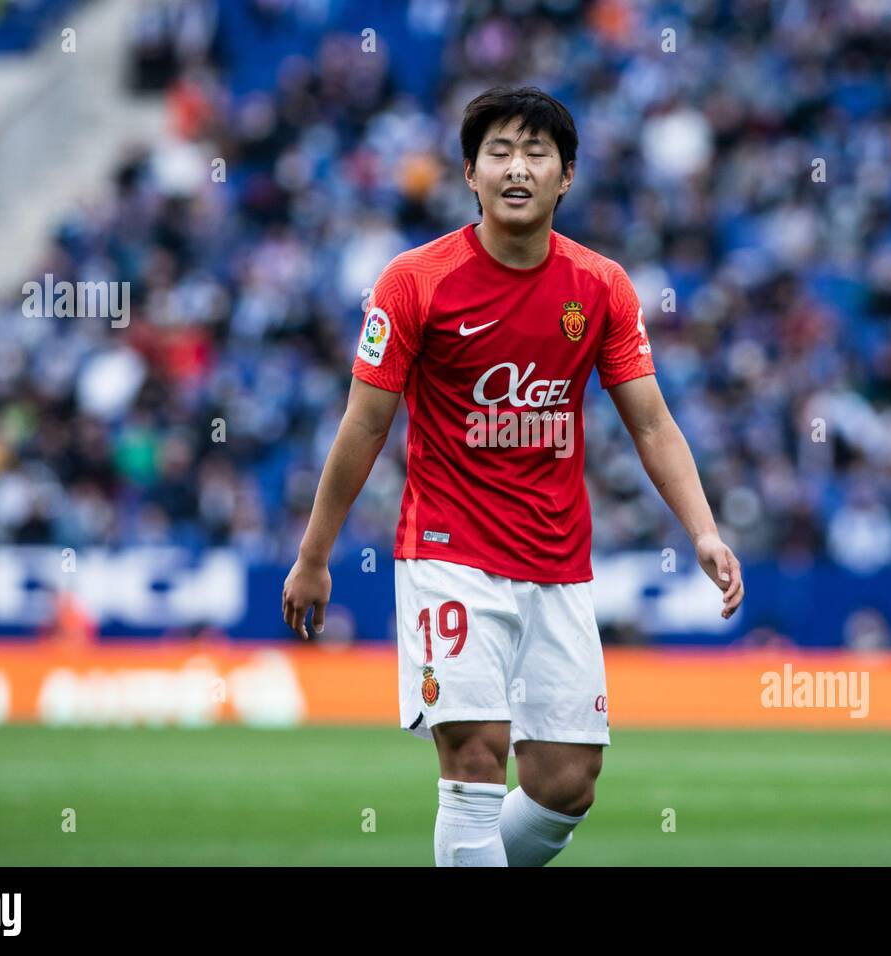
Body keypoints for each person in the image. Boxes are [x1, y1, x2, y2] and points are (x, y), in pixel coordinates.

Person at [282, 86, 744, 866]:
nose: (517, 168)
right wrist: (315, 554)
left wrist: (702, 529)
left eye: (537, 153)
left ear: (568, 176)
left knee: (569, 781)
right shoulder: (414, 282)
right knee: (475, 756)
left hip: (557, 562)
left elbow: (652, 421)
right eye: (499, 152)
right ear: (468, 172)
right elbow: (365, 424)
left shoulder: (600, 287)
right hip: (447, 552)